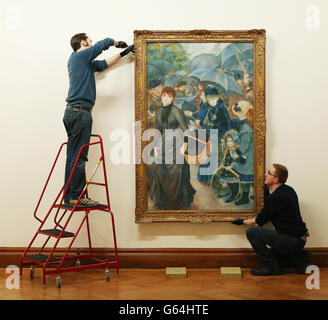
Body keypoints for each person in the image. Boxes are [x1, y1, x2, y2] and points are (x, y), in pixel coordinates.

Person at [63, 33, 134, 207]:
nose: (92, 43)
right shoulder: (80, 55)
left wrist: (124, 53)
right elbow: (102, 45)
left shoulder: (80, 62)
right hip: (80, 113)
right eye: (89, 40)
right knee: (80, 157)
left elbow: (103, 65)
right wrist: (116, 42)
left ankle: (70, 196)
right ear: (83, 42)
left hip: (72, 113)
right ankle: (78, 197)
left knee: (72, 157)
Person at [231, 163, 309, 276]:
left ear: (276, 179)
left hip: (292, 240)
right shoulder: (288, 190)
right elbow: (274, 210)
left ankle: (270, 268)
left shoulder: (276, 197)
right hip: (300, 239)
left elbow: (258, 223)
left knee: (252, 232)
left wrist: (241, 221)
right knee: (274, 256)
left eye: (269, 173)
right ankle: (300, 258)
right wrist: (267, 194)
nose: (265, 174)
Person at [148, 86, 196, 210]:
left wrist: (184, 147)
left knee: (177, 172)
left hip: (177, 144)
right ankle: (163, 200)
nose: (166, 99)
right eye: (164, 96)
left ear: (173, 98)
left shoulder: (177, 111)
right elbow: (158, 131)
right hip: (163, 144)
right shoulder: (158, 112)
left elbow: (186, 130)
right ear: (161, 96)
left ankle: (178, 202)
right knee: (161, 170)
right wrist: (157, 147)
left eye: (169, 97)